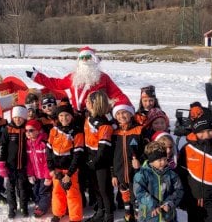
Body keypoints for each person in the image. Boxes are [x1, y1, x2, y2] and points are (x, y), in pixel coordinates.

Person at [25, 46, 130, 114]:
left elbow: (118, 95)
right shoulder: (73, 77)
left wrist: (124, 109)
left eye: (88, 57)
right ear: (79, 60)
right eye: (82, 57)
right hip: (75, 114)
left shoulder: (103, 78)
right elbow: (56, 84)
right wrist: (37, 76)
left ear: (93, 59)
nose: (85, 59)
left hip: (96, 114)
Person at [47, 103, 84, 222]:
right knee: (57, 191)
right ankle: (58, 213)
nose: (64, 118)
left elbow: (77, 155)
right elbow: (48, 150)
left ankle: (75, 218)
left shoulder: (77, 132)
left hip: (69, 170)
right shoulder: (54, 131)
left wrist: (70, 174)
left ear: (71, 116)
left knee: (72, 193)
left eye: (67, 115)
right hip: (57, 169)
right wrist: (51, 169)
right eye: (61, 115)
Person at [84, 90, 115, 222]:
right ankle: (100, 211)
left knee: (104, 189)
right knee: (95, 188)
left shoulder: (104, 123)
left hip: (101, 161)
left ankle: (109, 215)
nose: (85, 103)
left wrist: (95, 161)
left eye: (88, 101)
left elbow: (103, 148)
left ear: (95, 104)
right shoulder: (89, 118)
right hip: (91, 158)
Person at [133, 141, 183, 222]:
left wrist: (169, 203)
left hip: (167, 216)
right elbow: (139, 192)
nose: (163, 162)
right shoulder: (142, 174)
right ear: (151, 161)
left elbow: (179, 190)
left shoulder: (172, 174)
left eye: (164, 159)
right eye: (159, 160)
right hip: (149, 215)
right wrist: (153, 204)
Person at [111, 100, 142, 222]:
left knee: (136, 197)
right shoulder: (115, 133)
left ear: (130, 114)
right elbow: (112, 156)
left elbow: (146, 151)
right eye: (118, 114)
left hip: (135, 173)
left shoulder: (139, 130)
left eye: (124, 113)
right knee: (125, 196)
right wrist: (113, 174)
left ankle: (138, 216)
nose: (121, 116)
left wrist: (140, 160)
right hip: (120, 172)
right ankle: (128, 215)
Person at [0, 105, 29, 219]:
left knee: (22, 188)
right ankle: (12, 208)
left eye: (20, 117)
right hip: (10, 166)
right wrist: (1, 164)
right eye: (15, 117)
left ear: (24, 118)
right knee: (10, 188)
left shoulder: (27, 129)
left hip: (23, 165)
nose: (17, 120)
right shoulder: (8, 129)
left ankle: (23, 207)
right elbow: (2, 146)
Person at [25, 119, 52, 218]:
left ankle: (42, 208)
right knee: (35, 190)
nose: (28, 133)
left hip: (44, 174)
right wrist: (30, 174)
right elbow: (29, 162)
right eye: (27, 131)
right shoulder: (27, 144)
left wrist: (48, 176)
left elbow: (47, 161)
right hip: (36, 174)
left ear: (38, 130)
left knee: (43, 191)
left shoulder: (43, 143)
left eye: (31, 130)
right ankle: (39, 204)